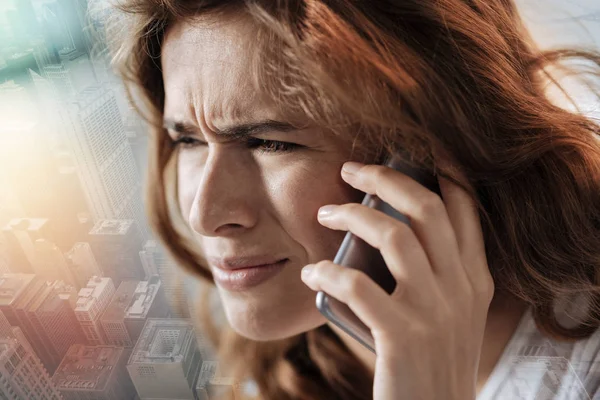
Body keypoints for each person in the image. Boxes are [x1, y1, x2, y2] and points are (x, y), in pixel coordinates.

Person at [108, 0, 600, 399]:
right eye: (189, 141)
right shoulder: (294, 360)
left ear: (427, 155)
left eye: (270, 143)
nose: (204, 215)